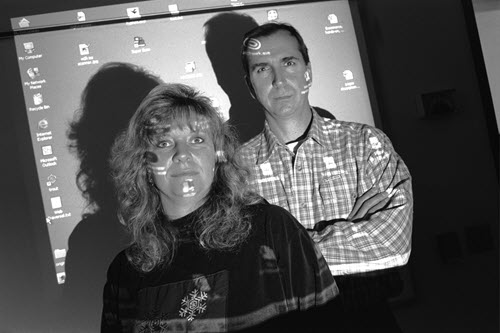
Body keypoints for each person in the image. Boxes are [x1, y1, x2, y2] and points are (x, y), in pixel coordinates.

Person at [101, 83, 338, 332]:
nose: (182, 154)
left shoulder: (271, 228)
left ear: (217, 156)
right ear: (144, 164)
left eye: (197, 139)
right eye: (163, 143)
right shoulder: (125, 271)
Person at [239, 22, 413, 331]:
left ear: (307, 71)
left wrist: (277, 254)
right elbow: (238, 268)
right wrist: (352, 229)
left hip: (368, 321)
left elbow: (392, 242)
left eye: (288, 63)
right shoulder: (235, 172)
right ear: (250, 85)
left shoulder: (365, 143)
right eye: (262, 69)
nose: (279, 80)